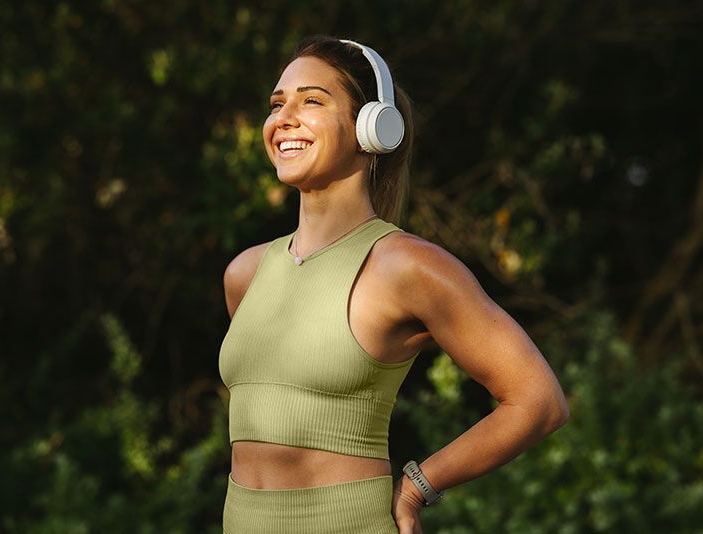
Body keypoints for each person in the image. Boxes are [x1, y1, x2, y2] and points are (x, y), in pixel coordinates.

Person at [218, 35, 569, 534]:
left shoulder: (406, 267)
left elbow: (539, 401)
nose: (284, 118)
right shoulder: (244, 275)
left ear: (372, 128)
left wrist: (418, 486)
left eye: (311, 100)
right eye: (277, 105)